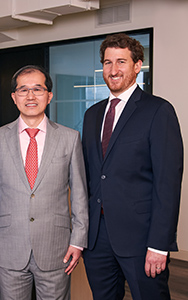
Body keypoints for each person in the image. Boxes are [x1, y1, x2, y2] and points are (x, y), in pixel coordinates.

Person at [82, 33, 183, 299]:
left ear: (137, 66)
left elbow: (167, 184)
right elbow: (92, 175)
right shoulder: (92, 115)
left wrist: (159, 245)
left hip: (141, 237)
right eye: (107, 62)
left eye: (121, 62)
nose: (113, 70)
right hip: (96, 239)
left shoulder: (158, 111)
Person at [0, 65, 88, 300]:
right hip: (9, 247)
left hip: (56, 247)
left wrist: (78, 241)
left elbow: (80, 193)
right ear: (14, 97)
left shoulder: (70, 138)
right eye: (23, 90)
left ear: (49, 96)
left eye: (38, 89)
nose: (30, 96)